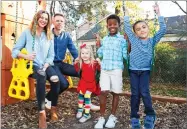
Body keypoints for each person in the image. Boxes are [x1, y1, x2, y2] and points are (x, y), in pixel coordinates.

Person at [12, 10, 60, 129]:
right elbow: (15, 51)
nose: (43, 20)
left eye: (46, 18)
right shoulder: (28, 33)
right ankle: (41, 112)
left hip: (46, 64)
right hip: (32, 65)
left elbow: (51, 55)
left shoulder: (49, 35)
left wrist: (46, 65)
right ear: (37, 18)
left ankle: (53, 108)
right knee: (42, 76)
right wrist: (26, 56)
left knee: (55, 79)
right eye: (41, 17)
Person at [45, 13, 100, 111]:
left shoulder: (66, 36)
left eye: (61, 21)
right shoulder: (47, 34)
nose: (59, 23)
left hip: (61, 64)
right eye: (57, 20)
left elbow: (73, 49)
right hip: (51, 64)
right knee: (64, 84)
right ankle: (48, 98)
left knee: (84, 72)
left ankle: (86, 102)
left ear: (64, 23)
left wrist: (80, 60)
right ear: (53, 21)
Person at [124, 3, 166, 129]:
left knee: (145, 93)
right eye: (138, 29)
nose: (142, 30)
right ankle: (134, 117)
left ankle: (150, 115)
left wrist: (158, 13)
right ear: (135, 33)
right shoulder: (134, 40)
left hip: (145, 71)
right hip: (133, 71)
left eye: (144, 27)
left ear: (148, 28)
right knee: (135, 94)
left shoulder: (152, 41)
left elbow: (163, 29)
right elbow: (126, 27)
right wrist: (125, 13)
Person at [94, 14, 128, 129]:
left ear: (118, 25)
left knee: (115, 92)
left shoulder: (122, 39)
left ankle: (112, 116)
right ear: (107, 26)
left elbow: (125, 55)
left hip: (117, 69)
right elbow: (100, 54)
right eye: (110, 24)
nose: (112, 26)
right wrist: (98, 44)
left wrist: (128, 43)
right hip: (105, 69)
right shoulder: (105, 39)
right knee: (103, 92)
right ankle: (102, 117)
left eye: (114, 24)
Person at [74, 43, 100, 123]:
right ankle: (80, 109)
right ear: (80, 54)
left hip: (90, 84)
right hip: (83, 83)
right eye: (83, 53)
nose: (84, 55)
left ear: (90, 54)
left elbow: (99, 69)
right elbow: (76, 69)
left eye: (87, 53)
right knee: (81, 96)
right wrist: (75, 62)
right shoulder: (81, 63)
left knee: (87, 97)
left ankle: (87, 114)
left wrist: (99, 62)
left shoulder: (94, 63)